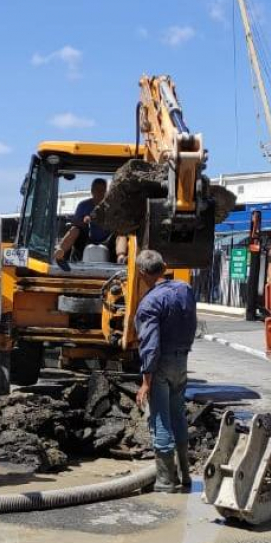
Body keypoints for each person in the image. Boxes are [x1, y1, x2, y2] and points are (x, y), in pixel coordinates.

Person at [134, 249, 198, 493]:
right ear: (165, 266)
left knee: (160, 419)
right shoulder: (184, 290)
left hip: (161, 364)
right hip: (182, 361)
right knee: (178, 416)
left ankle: (164, 481)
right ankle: (185, 476)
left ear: (142, 274)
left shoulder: (150, 303)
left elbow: (150, 346)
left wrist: (146, 382)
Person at [54, 178, 128, 264]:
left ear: (106, 192)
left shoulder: (112, 207)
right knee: (75, 229)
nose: (99, 193)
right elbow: (75, 223)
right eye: (97, 190)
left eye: (102, 190)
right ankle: (59, 252)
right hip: (86, 240)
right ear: (92, 191)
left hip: (108, 240)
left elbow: (119, 223)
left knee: (121, 233)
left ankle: (121, 258)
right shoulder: (83, 205)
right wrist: (84, 221)